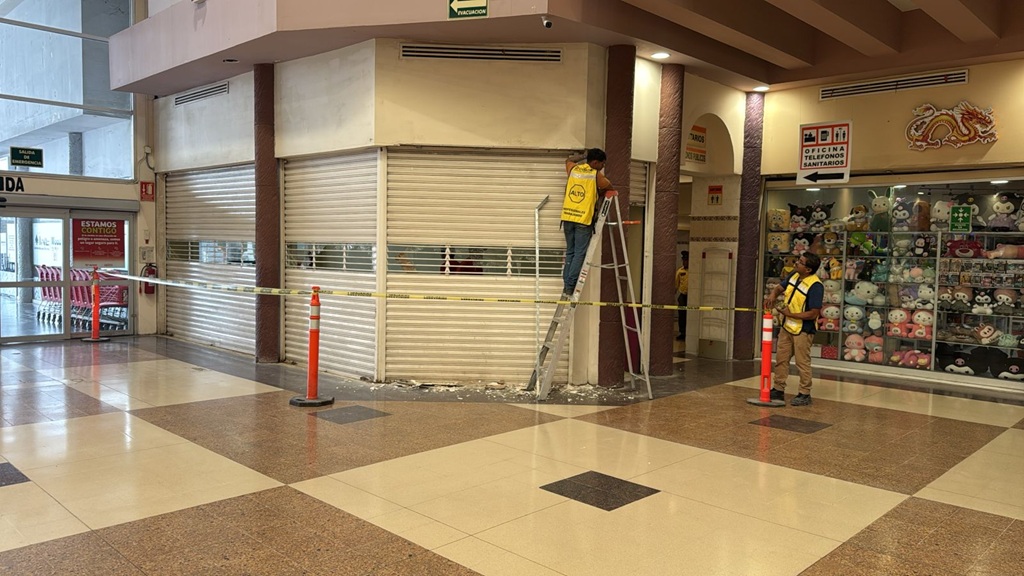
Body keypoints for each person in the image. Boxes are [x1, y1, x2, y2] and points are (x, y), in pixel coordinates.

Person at [763, 252, 823, 406]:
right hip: (787, 327)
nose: (796, 263)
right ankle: (778, 389)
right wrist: (772, 296)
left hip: (803, 329)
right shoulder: (794, 276)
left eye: (800, 262)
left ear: (808, 269)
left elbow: (813, 313)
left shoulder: (815, 286)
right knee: (781, 359)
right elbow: (779, 288)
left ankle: (804, 393)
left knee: (802, 362)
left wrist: (791, 314)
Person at [561, 148, 615, 296]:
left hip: (568, 218)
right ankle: (571, 285)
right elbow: (609, 187)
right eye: (602, 164)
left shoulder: (573, 169)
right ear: (595, 162)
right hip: (583, 221)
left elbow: (568, 160)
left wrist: (583, 156)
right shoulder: (595, 175)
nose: (602, 167)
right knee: (579, 253)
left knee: (570, 252)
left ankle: (566, 284)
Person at [675, 252, 689, 340]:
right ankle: (682, 333)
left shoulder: (693, 271)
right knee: (682, 316)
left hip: (691, 297)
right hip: (683, 296)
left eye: (686, 260)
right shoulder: (680, 271)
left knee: (690, 315)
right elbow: (676, 284)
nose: (684, 262)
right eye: (683, 260)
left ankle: (689, 333)